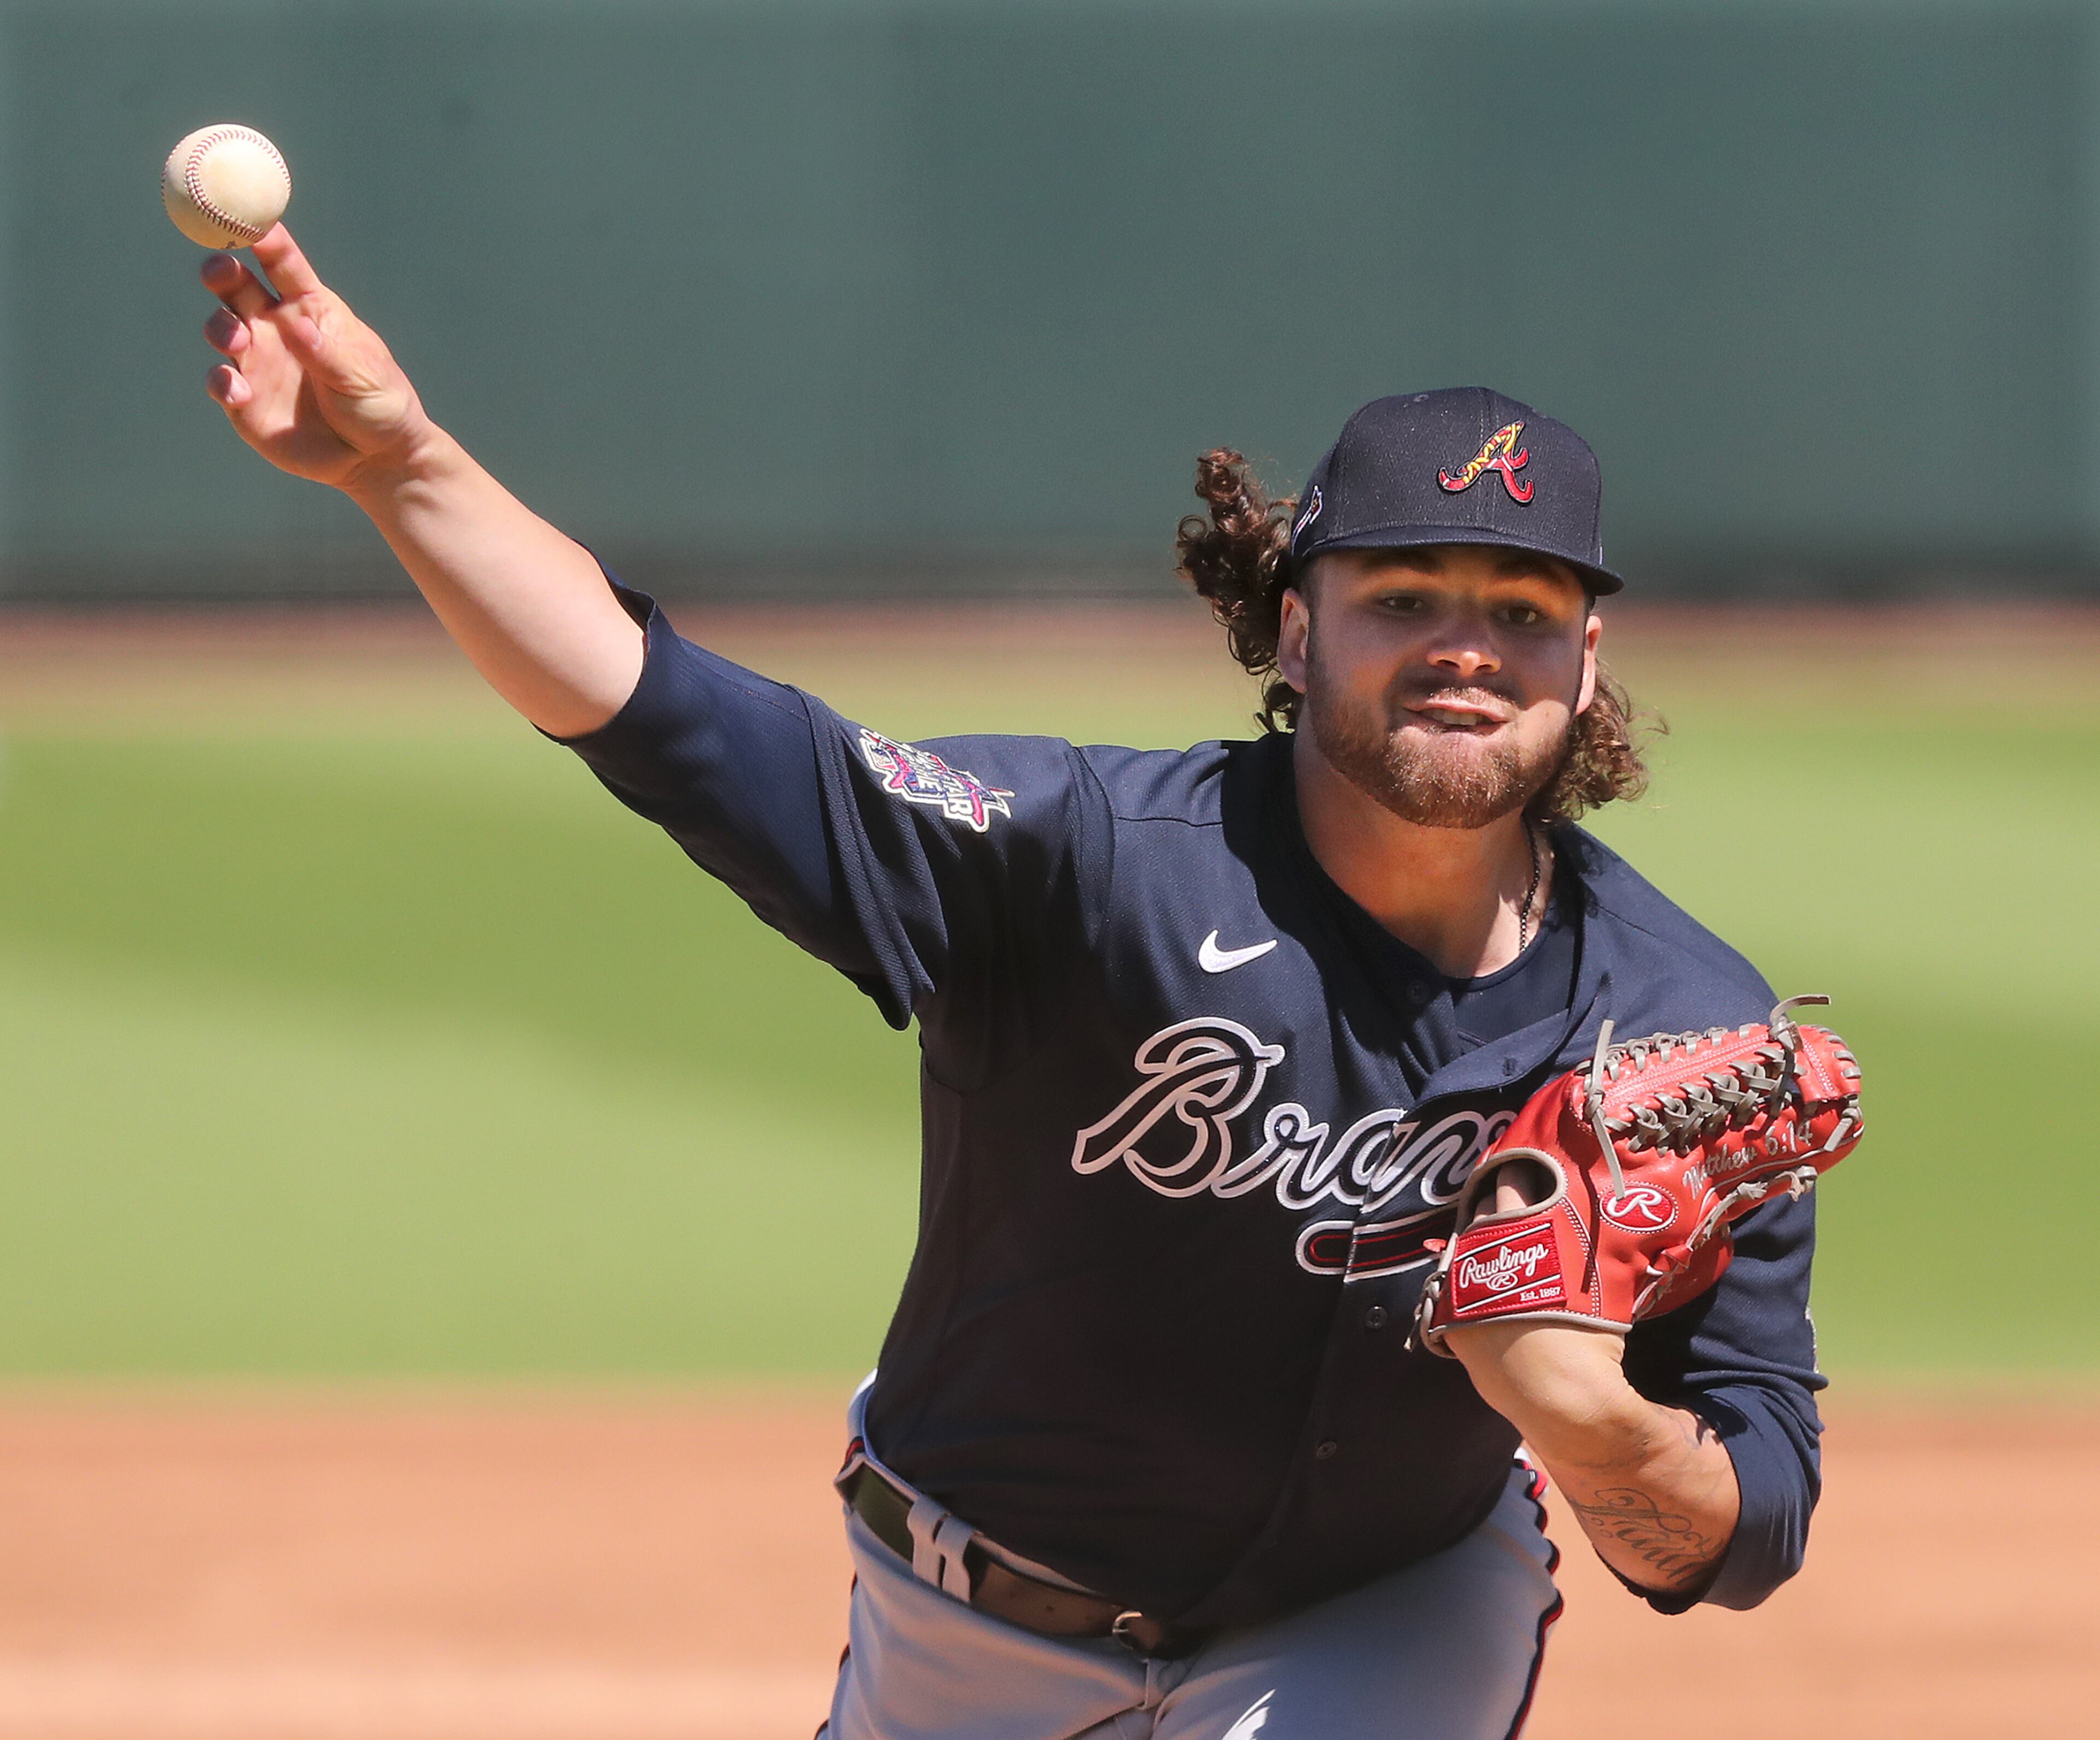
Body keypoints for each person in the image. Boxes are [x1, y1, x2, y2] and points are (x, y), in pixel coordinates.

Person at [196, 228, 1825, 1740]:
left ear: (1587, 663)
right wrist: (404, 468)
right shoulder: (1089, 857)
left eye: (1524, 611)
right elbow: (688, 725)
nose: (1468, 647)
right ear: (1297, 630)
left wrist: (1592, 1426)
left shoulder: (1687, 1025)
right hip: (962, 1616)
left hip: (1377, 1615)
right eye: (1405, 598)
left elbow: (1748, 1523)